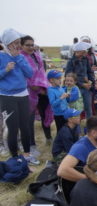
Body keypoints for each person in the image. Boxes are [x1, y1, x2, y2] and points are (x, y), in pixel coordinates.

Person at [0, 28, 38, 165]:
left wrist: (17, 58)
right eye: (14, 42)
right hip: (7, 96)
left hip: (23, 94)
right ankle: (15, 158)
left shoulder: (20, 56)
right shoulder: (1, 56)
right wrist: (6, 70)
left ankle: (27, 154)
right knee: (12, 128)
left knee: (25, 126)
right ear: (7, 43)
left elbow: (29, 73)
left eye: (18, 42)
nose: (17, 45)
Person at [20, 35, 53, 154]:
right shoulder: (20, 58)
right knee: (29, 120)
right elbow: (23, 75)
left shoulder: (36, 55)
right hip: (29, 92)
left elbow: (41, 72)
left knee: (45, 114)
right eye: (27, 45)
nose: (30, 47)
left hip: (42, 89)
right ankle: (31, 145)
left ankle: (49, 138)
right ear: (21, 45)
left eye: (32, 44)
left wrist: (43, 87)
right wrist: (34, 87)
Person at [65, 41, 94, 119]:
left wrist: (91, 83)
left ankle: (90, 125)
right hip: (75, 89)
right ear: (79, 51)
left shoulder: (86, 59)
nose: (86, 52)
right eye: (85, 50)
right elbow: (68, 77)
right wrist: (82, 84)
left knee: (88, 107)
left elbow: (89, 72)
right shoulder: (71, 61)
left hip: (86, 88)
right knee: (75, 107)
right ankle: (75, 124)